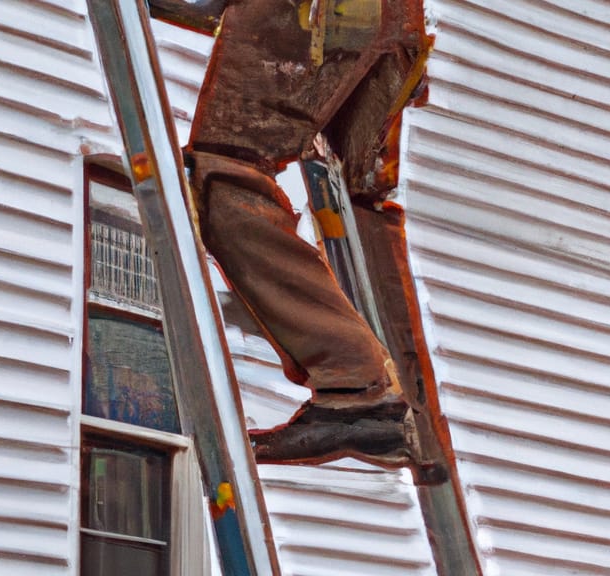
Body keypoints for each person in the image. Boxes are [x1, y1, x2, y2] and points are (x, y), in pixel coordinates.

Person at [150, 0, 428, 468]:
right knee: (355, 201)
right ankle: (370, 387)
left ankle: (356, 383)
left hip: (316, 13)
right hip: (376, 18)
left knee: (223, 177)